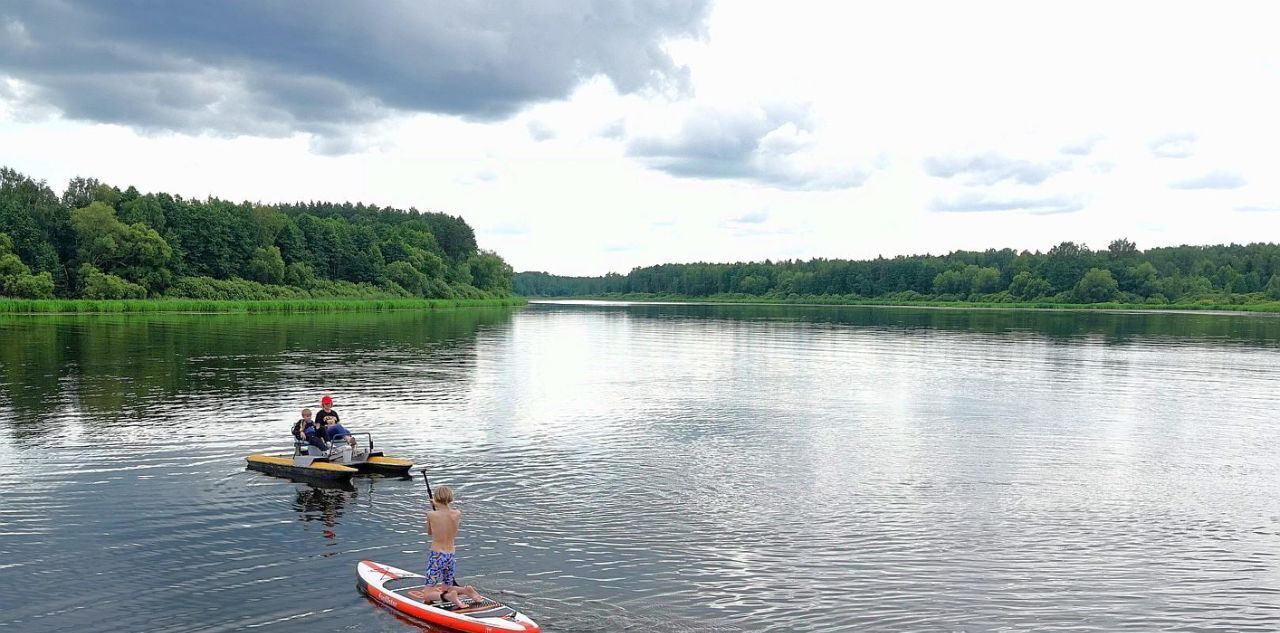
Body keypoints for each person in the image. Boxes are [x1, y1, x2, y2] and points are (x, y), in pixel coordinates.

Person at [425, 485, 487, 609]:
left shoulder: (431, 514)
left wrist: (435, 507)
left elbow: (430, 532)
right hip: (450, 555)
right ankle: (465, 590)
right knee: (447, 587)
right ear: (450, 498)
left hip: (437, 555)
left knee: (427, 594)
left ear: (436, 499)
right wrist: (438, 505)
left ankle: (449, 597)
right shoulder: (457, 513)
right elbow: (446, 513)